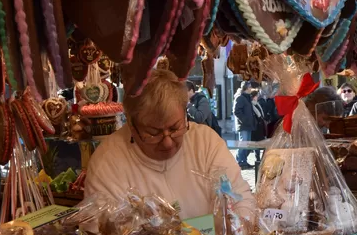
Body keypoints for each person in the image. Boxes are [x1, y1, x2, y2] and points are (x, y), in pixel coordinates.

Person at [85, 69, 255, 217]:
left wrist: (238, 228)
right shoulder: (107, 162)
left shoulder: (206, 142)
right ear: (131, 125)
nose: (167, 143)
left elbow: (241, 197)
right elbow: (98, 232)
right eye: (153, 133)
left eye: (175, 128)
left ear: (185, 114)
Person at [233, 81, 257, 169]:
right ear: (246, 88)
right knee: (243, 143)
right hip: (243, 125)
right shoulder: (240, 97)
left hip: (249, 125)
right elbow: (236, 111)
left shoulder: (247, 98)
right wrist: (244, 120)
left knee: (247, 144)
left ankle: (243, 161)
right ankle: (240, 162)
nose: (251, 88)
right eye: (250, 87)